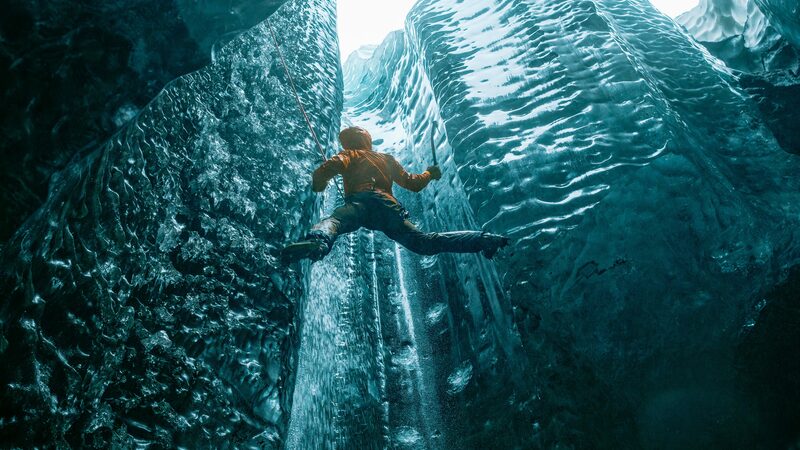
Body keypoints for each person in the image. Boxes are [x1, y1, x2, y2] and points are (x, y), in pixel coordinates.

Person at [281, 126, 509, 263]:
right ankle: (483, 240)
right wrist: (430, 173)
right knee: (425, 243)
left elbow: (325, 169)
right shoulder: (386, 159)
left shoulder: (350, 154)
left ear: (350, 142)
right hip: (388, 210)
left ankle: (318, 243)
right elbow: (413, 183)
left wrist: (318, 185)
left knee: (335, 221)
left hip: (360, 204)